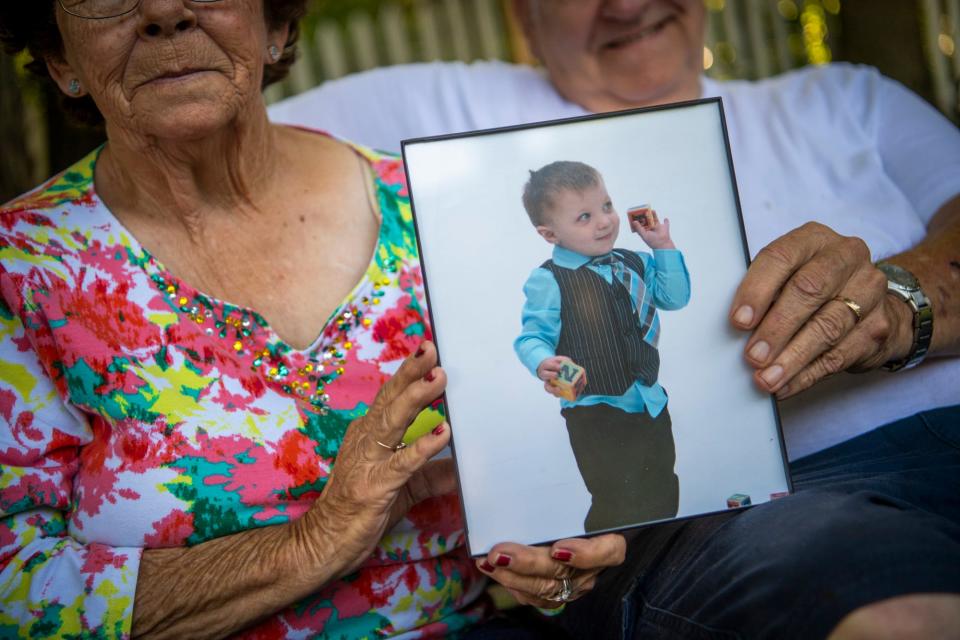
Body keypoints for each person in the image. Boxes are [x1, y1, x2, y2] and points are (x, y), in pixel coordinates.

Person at [269, 0, 960, 637]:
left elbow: (677, 298)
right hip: (726, 503)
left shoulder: (846, 100)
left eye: (605, 210)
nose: (626, 5)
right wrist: (539, 376)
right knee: (882, 593)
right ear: (525, 17)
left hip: (670, 404)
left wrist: (898, 305)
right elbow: (218, 128)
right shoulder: (442, 109)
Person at [0, 2, 627, 637]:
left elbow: (539, 466)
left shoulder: (425, 205)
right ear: (59, 58)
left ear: (274, 25)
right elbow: (15, 595)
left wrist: (557, 552)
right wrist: (315, 541)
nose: (164, 10)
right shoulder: (21, 269)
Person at [514, 161, 690, 531]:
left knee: (662, 488)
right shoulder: (548, 280)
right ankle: (608, 570)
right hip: (595, 412)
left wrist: (663, 248)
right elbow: (532, 337)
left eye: (606, 206)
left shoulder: (637, 262)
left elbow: (675, 299)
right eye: (584, 216)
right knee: (615, 501)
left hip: (649, 400)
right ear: (549, 234)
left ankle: (658, 555)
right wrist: (542, 361)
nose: (605, 221)